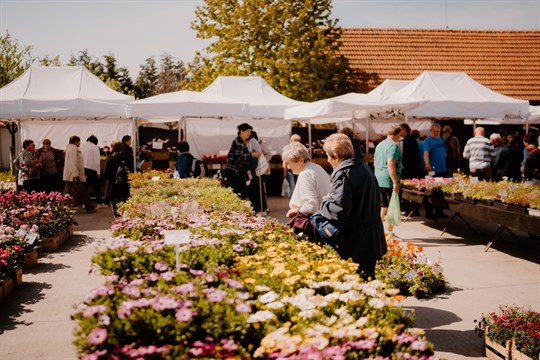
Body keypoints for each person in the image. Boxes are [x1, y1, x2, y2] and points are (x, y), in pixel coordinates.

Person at [313, 133, 386, 280]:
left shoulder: (343, 173)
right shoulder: (365, 168)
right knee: (368, 280)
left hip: (356, 241)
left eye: (328, 155)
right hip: (371, 237)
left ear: (335, 155)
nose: (327, 159)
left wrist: (325, 203)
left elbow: (339, 210)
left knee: (357, 285)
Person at [282, 142, 331, 219]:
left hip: (312, 221)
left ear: (300, 161)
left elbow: (311, 206)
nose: (288, 167)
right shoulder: (316, 167)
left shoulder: (305, 174)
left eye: (288, 163)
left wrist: (296, 211)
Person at [374, 125, 402, 235]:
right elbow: (391, 163)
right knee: (393, 205)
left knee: (383, 204)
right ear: (397, 134)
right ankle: (389, 231)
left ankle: (379, 229)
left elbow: (375, 162)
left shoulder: (380, 145)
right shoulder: (393, 146)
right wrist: (395, 181)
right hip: (388, 179)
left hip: (378, 177)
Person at [63, 136, 95, 213]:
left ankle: (86, 204)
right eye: (79, 141)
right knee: (77, 190)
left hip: (71, 174)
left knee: (73, 190)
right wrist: (75, 174)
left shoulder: (70, 149)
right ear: (75, 142)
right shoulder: (74, 149)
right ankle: (66, 204)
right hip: (73, 174)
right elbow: (73, 162)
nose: (80, 143)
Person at [423, 123, 448, 219]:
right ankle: (429, 212)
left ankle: (439, 211)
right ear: (431, 131)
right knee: (432, 190)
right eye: (434, 131)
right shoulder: (427, 141)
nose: (436, 133)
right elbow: (425, 153)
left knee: (441, 191)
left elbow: (444, 152)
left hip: (443, 169)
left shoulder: (441, 139)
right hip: (432, 169)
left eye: (438, 131)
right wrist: (427, 163)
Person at [225, 123, 254, 200]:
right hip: (235, 173)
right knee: (239, 194)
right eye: (247, 131)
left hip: (236, 172)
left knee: (240, 194)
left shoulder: (240, 141)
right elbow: (239, 157)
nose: (249, 133)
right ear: (241, 131)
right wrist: (251, 155)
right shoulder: (239, 142)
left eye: (250, 132)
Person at [103, 141, 131, 216]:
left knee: (116, 210)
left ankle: (118, 223)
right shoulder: (125, 157)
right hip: (124, 186)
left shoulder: (110, 158)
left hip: (113, 187)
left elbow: (105, 173)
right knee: (123, 209)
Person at [80, 135, 105, 208]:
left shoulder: (82, 146)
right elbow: (97, 161)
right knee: (96, 186)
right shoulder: (95, 147)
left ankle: (84, 203)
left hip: (83, 169)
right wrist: (98, 172)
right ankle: (99, 203)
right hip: (92, 169)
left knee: (84, 187)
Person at [246, 131, 268, 215]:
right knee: (254, 190)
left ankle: (261, 209)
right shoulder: (249, 142)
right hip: (253, 171)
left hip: (256, 170)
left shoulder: (253, 141)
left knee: (257, 190)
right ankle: (258, 208)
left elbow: (259, 154)